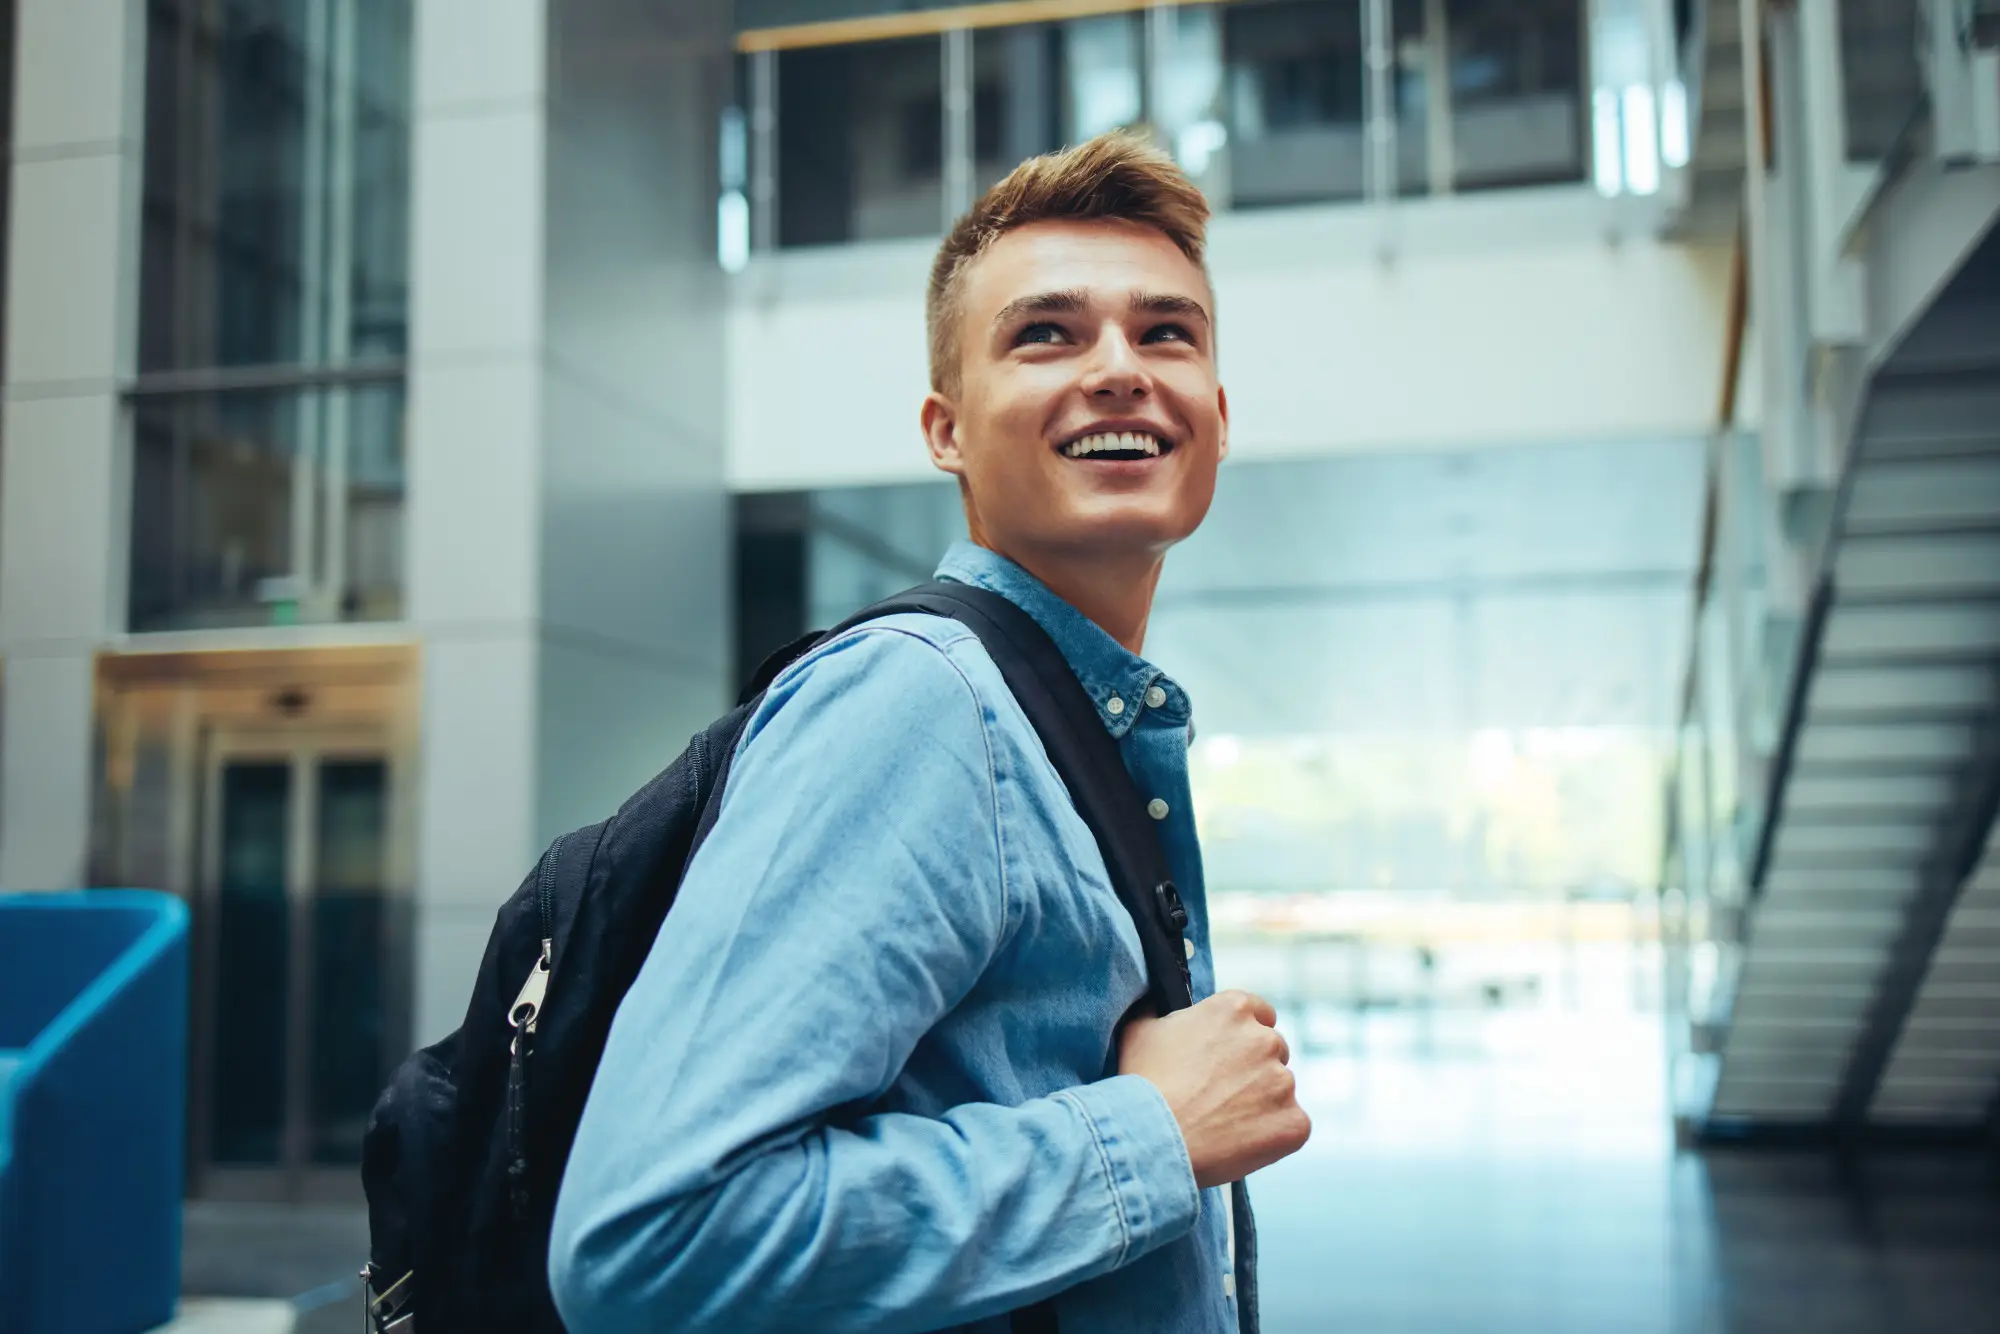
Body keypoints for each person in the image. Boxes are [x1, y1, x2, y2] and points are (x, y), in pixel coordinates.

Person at [548, 131, 1310, 1334]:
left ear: (1215, 415)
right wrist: (1149, 1134)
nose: (1119, 368)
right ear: (944, 429)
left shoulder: (1065, 724)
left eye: (1165, 332)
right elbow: (651, 1240)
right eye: (1044, 333)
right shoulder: (920, 706)